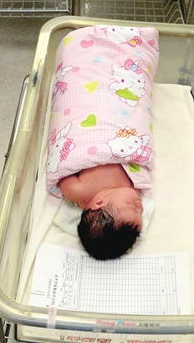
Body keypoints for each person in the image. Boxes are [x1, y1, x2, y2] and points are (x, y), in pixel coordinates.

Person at [47, 25, 159, 260]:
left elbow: (64, 159)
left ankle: (87, 47)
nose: (140, 206)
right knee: (131, 90)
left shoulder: (75, 191)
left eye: (132, 208)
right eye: (140, 212)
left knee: (86, 86)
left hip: (93, 123)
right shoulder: (131, 185)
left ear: (98, 202)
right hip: (124, 127)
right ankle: (130, 46)